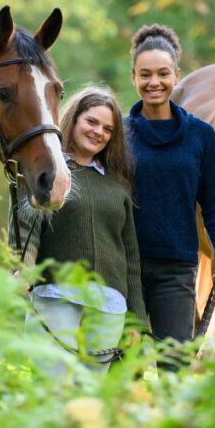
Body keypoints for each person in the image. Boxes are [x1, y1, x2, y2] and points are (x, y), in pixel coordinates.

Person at [126, 25, 215, 367]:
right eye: (145, 74)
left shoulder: (201, 136)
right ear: (134, 78)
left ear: (177, 75)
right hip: (124, 270)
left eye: (162, 73)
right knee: (123, 372)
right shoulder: (120, 133)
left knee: (175, 368)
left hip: (176, 271)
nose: (154, 82)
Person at [18, 85, 147, 375]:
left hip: (109, 307)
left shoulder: (118, 184)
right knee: (53, 389)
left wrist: (136, 320)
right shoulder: (45, 172)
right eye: (91, 122)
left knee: (91, 399)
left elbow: (131, 257)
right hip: (56, 297)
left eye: (107, 128)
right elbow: (25, 230)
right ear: (73, 119)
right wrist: (20, 269)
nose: (98, 132)